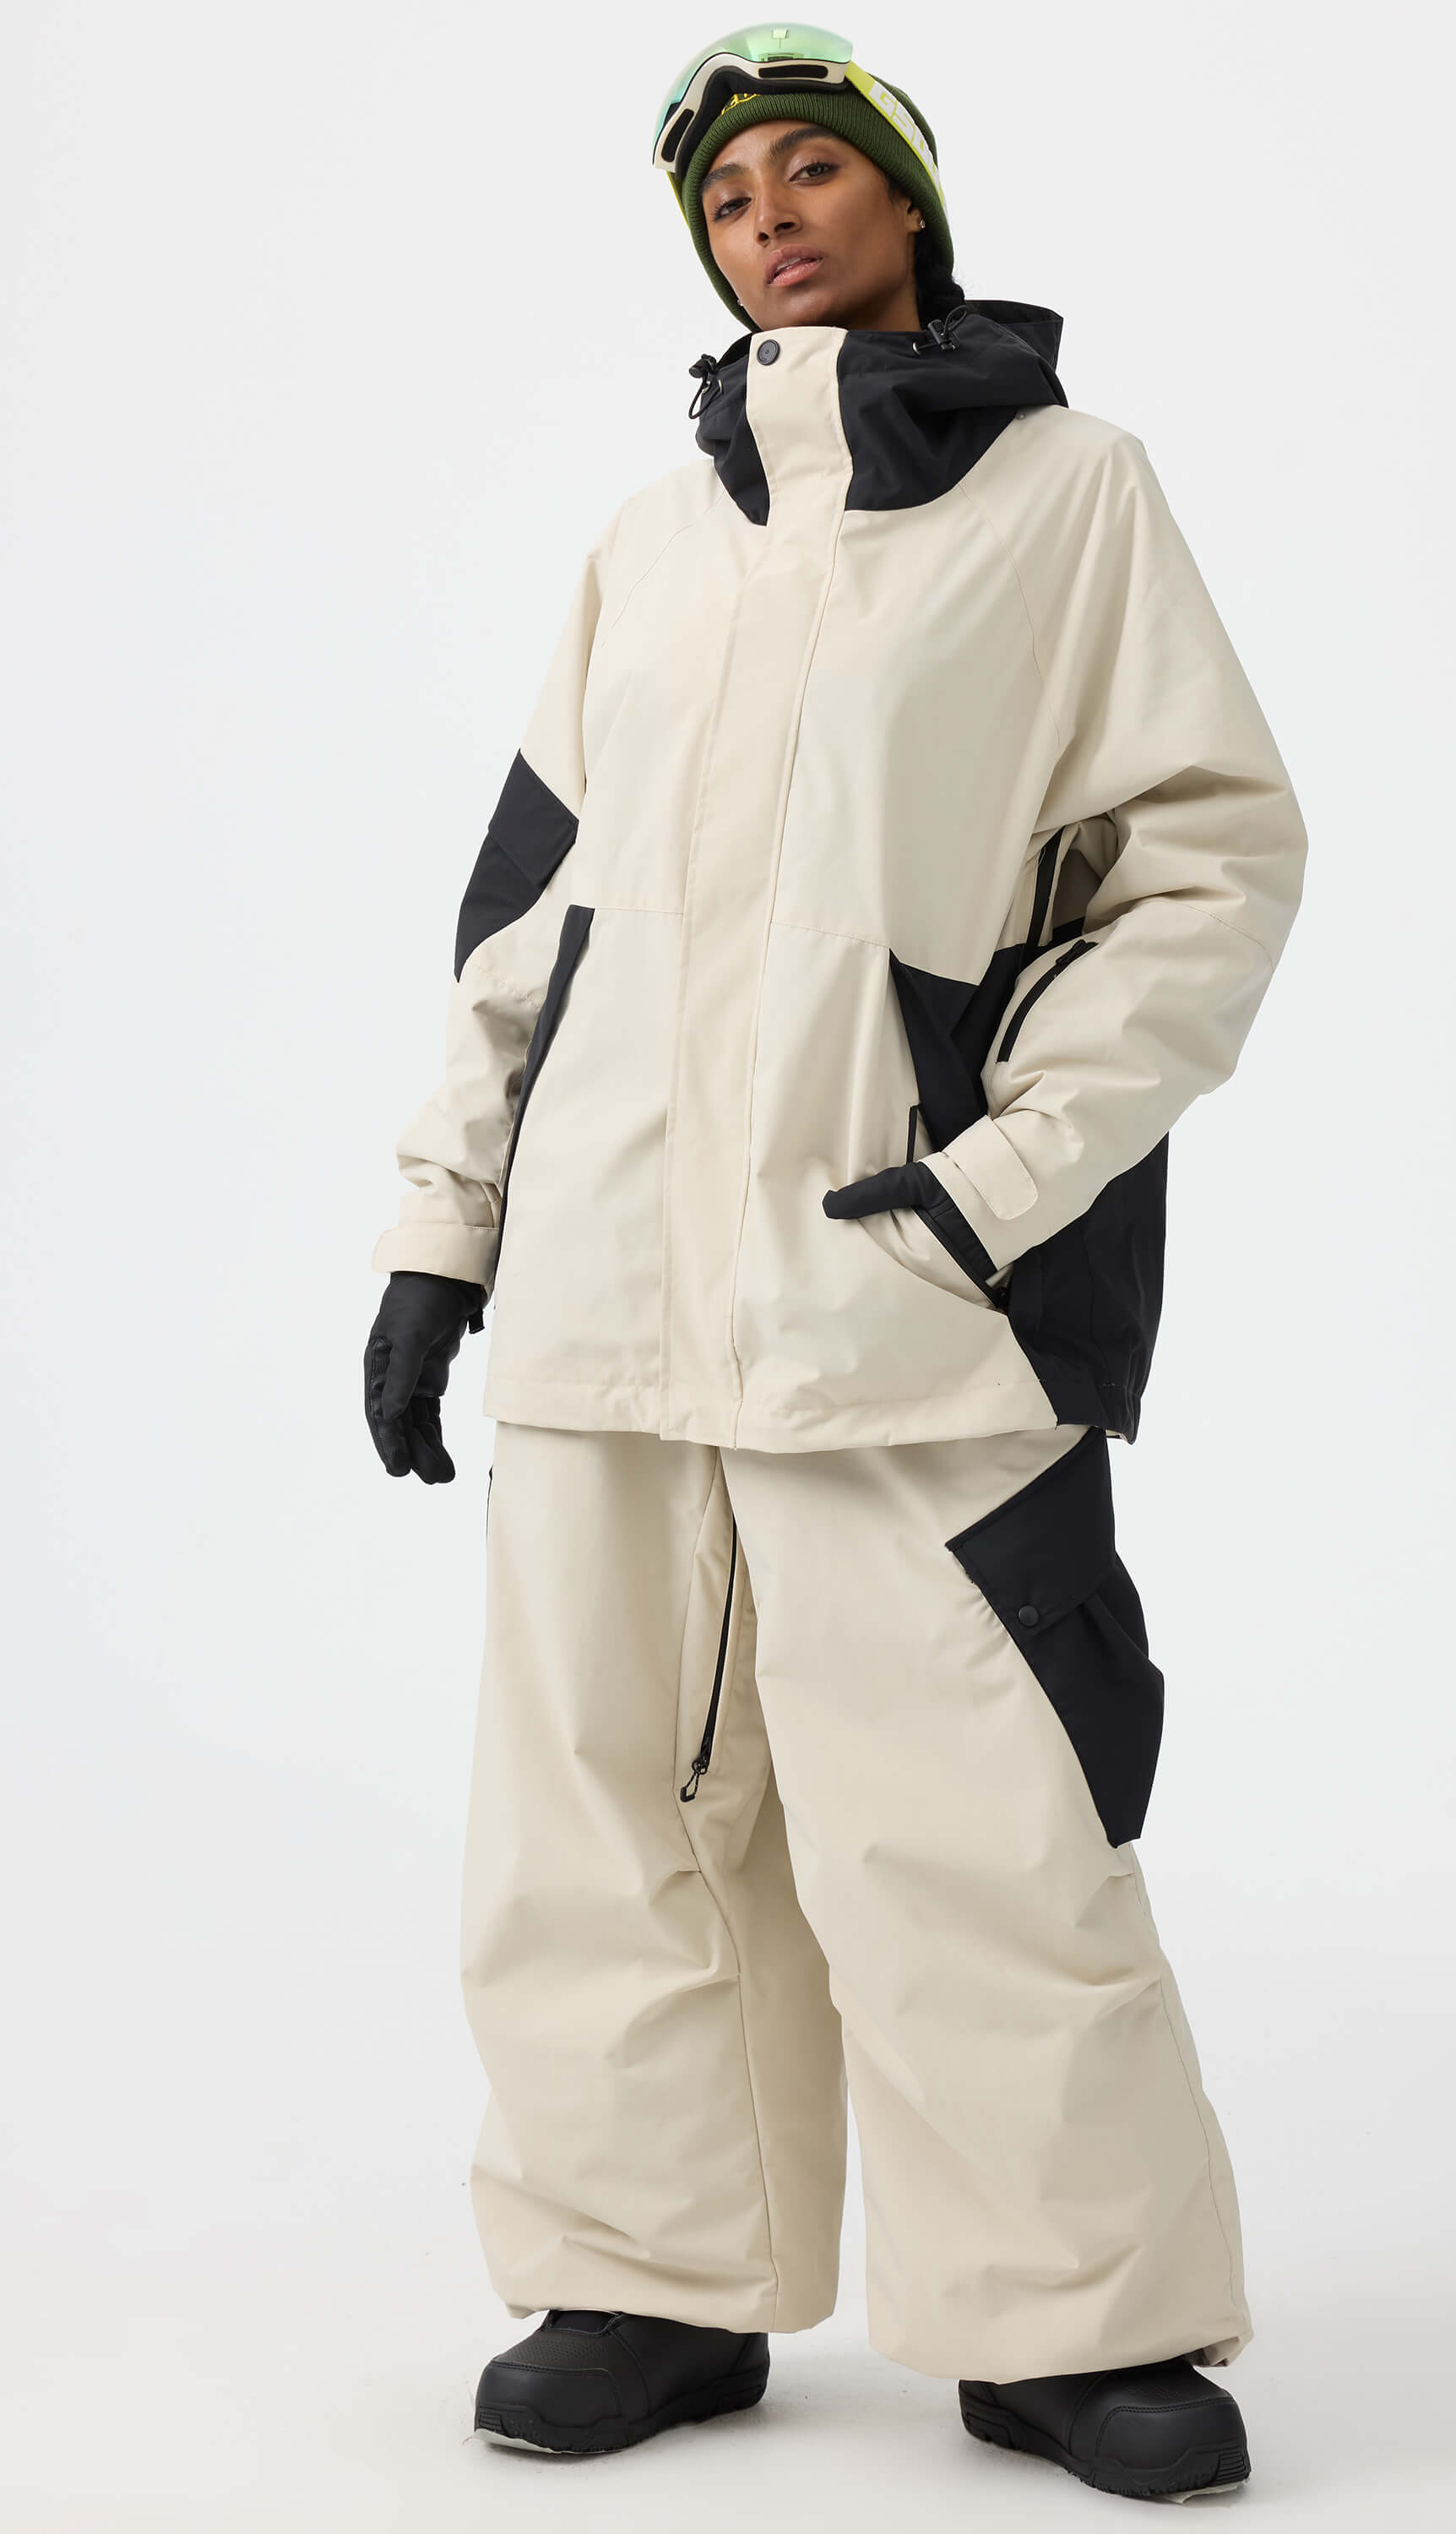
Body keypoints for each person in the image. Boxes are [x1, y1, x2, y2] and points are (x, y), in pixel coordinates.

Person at [364, 24, 1307, 2505]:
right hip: (605, 1297)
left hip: (905, 1300)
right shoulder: (648, 542)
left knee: (977, 1824)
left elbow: (1205, 867)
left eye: (814, 171)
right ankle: (645, 2280)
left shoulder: (1072, 496)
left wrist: (1001, 1177)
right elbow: (532, 912)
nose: (769, 216)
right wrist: (444, 1235)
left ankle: (1072, 2322)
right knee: (599, 1821)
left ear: (908, 206)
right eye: (729, 195)